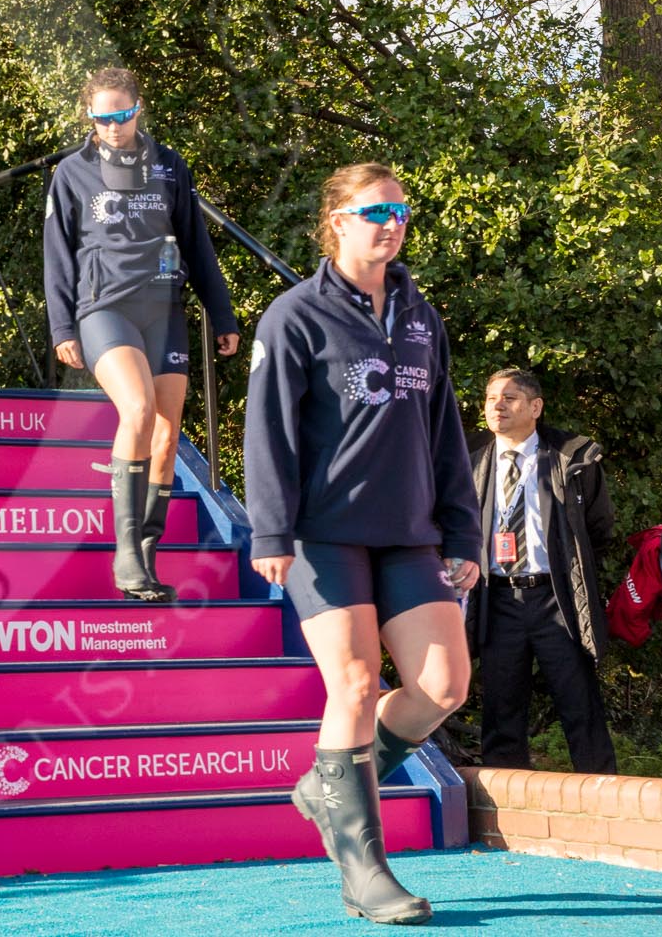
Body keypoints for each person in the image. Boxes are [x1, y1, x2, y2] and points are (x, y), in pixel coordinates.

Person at [245, 163, 481, 925]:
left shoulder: (422, 317)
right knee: (351, 684)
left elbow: (443, 431)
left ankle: (328, 786)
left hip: (409, 532)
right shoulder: (294, 316)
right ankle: (364, 872)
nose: (392, 222)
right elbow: (269, 431)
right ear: (337, 221)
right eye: (375, 210)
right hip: (325, 533)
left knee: (443, 687)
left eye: (402, 210)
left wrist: (462, 528)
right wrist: (272, 528)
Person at [43, 67, 239, 601]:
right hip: (104, 307)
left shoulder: (170, 166)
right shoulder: (72, 172)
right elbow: (58, 255)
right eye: (102, 118)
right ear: (90, 117)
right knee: (137, 410)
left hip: (165, 307)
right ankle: (125, 552)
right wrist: (63, 325)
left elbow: (197, 244)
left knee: (167, 432)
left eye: (122, 115)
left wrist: (221, 315)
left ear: (138, 108)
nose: (112, 127)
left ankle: (147, 557)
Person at [469, 367, 618, 773]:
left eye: (509, 398)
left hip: (557, 598)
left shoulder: (572, 458)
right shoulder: (470, 459)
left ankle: (603, 801)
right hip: (497, 598)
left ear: (535, 407)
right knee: (501, 710)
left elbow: (599, 528)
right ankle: (506, 811)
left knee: (580, 705)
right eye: (491, 398)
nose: (497, 406)